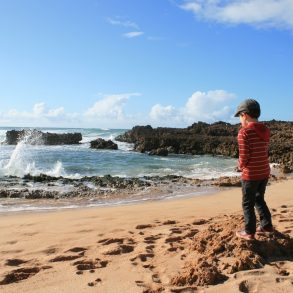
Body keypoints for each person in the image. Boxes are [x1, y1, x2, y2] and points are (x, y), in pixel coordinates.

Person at [234, 99, 273, 240]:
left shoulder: (244, 132)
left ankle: (249, 232)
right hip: (264, 171)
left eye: (239, 117)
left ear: (244, 115)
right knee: (259, 199)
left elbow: (244, 156)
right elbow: (263, 151)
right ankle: (267, 225)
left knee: (247, 203)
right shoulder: (266, 130)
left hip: (250, 175)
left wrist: (240, 166)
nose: (240, 121)